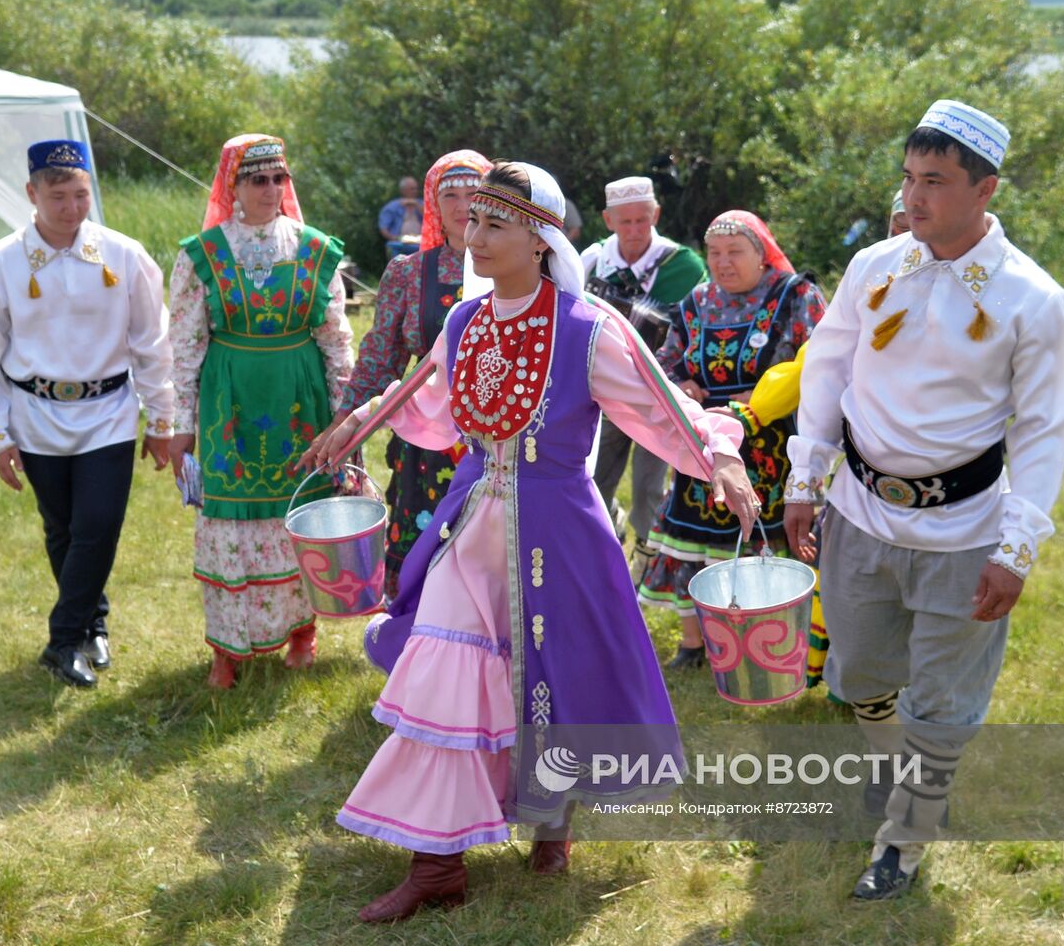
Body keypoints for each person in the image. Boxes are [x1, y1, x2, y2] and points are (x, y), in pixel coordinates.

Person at [304, 161, 757, 924]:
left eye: (494, 225)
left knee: (554, 675)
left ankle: (551, 825)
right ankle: (436, 863)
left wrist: (722, 458)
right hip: (472, 518)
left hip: (559, 531)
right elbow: (425, 398)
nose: (473, 237)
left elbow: (661, 406)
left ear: (541, 239)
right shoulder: (464, 322)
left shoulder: (587, 330)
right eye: (471, 222)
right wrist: (357, 423)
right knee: (445, 673)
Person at [784, 100, 1064, 900]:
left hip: (966, 530)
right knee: (863, 675)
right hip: (859, 513)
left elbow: (1048, 430)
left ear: (985, 189)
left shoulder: (1032, 299)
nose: (914, 199)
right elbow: (827, 366)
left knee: (943, 703)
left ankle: (903, 843)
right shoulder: (875, 267)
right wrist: (806, 476)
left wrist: (1017, 549)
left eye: (936, 182)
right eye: (910, 179)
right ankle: (896, 775)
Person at [0, 140, 174, 688]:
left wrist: (161, 419)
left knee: (98, 526)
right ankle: (92, 625)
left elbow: (152, 343)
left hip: (107, 412)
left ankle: (61, 640)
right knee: (62, 529)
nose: (72, 208)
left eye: (81, 195)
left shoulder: (125, 255)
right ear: (31, 194)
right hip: (34, 414)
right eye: (58, 197)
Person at [167, 134, 352, 689]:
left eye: (279, 179)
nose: (271, 190)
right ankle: (228, 648)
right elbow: (185, 346)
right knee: (228, 517)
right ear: (233, 186)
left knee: (299, 514)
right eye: (258, 180)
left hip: (300, 398)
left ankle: (301, 630)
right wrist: (182, 426)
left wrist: (345, 421)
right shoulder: (200, 255)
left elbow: (337, 342)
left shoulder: (316, 252)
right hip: (230, 403)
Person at [639, 210, 825, 668]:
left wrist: (760, 396)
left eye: (735, 252)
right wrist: (681, 385)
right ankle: (695, 645)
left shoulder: (795, 295)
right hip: (704, 443)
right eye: (714, 253)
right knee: (691, 542)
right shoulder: (695, 303)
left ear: (762, 256)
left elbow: (820, 362)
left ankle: (770, 643)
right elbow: (666, 363)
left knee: (766, 543)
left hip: (771, 444)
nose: (722, 262)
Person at [333, 149, 492, 597]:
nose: (463, 206)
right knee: (425, 555)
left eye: (474, 194)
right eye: (451, 196)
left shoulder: (515, 269)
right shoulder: (409, 273)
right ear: (433, 206)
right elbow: (379, 359)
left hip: (497, 437)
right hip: (425, 441)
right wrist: (344, 426)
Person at [581, 176, 707, 575]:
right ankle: (604, 543)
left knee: (650, 485)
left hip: (658, 391)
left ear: (656, 214)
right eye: (625, 222)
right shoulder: (591, 260)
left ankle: (646, 566)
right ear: (607, 220)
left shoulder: (684, 265)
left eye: (642, 221)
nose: (634, 231)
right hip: (602, 389)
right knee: (594, 476)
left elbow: (697, 324)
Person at [378, 175, 424, 259]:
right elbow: (383, 228)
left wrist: (416, 205)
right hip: (400, 245)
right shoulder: (392, 207)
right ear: (403, 190)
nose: (415, 191)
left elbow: (433, 220)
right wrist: (394, 238)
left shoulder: (423, 204)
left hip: (421, 244)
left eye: (416, 188)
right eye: (412, 189)